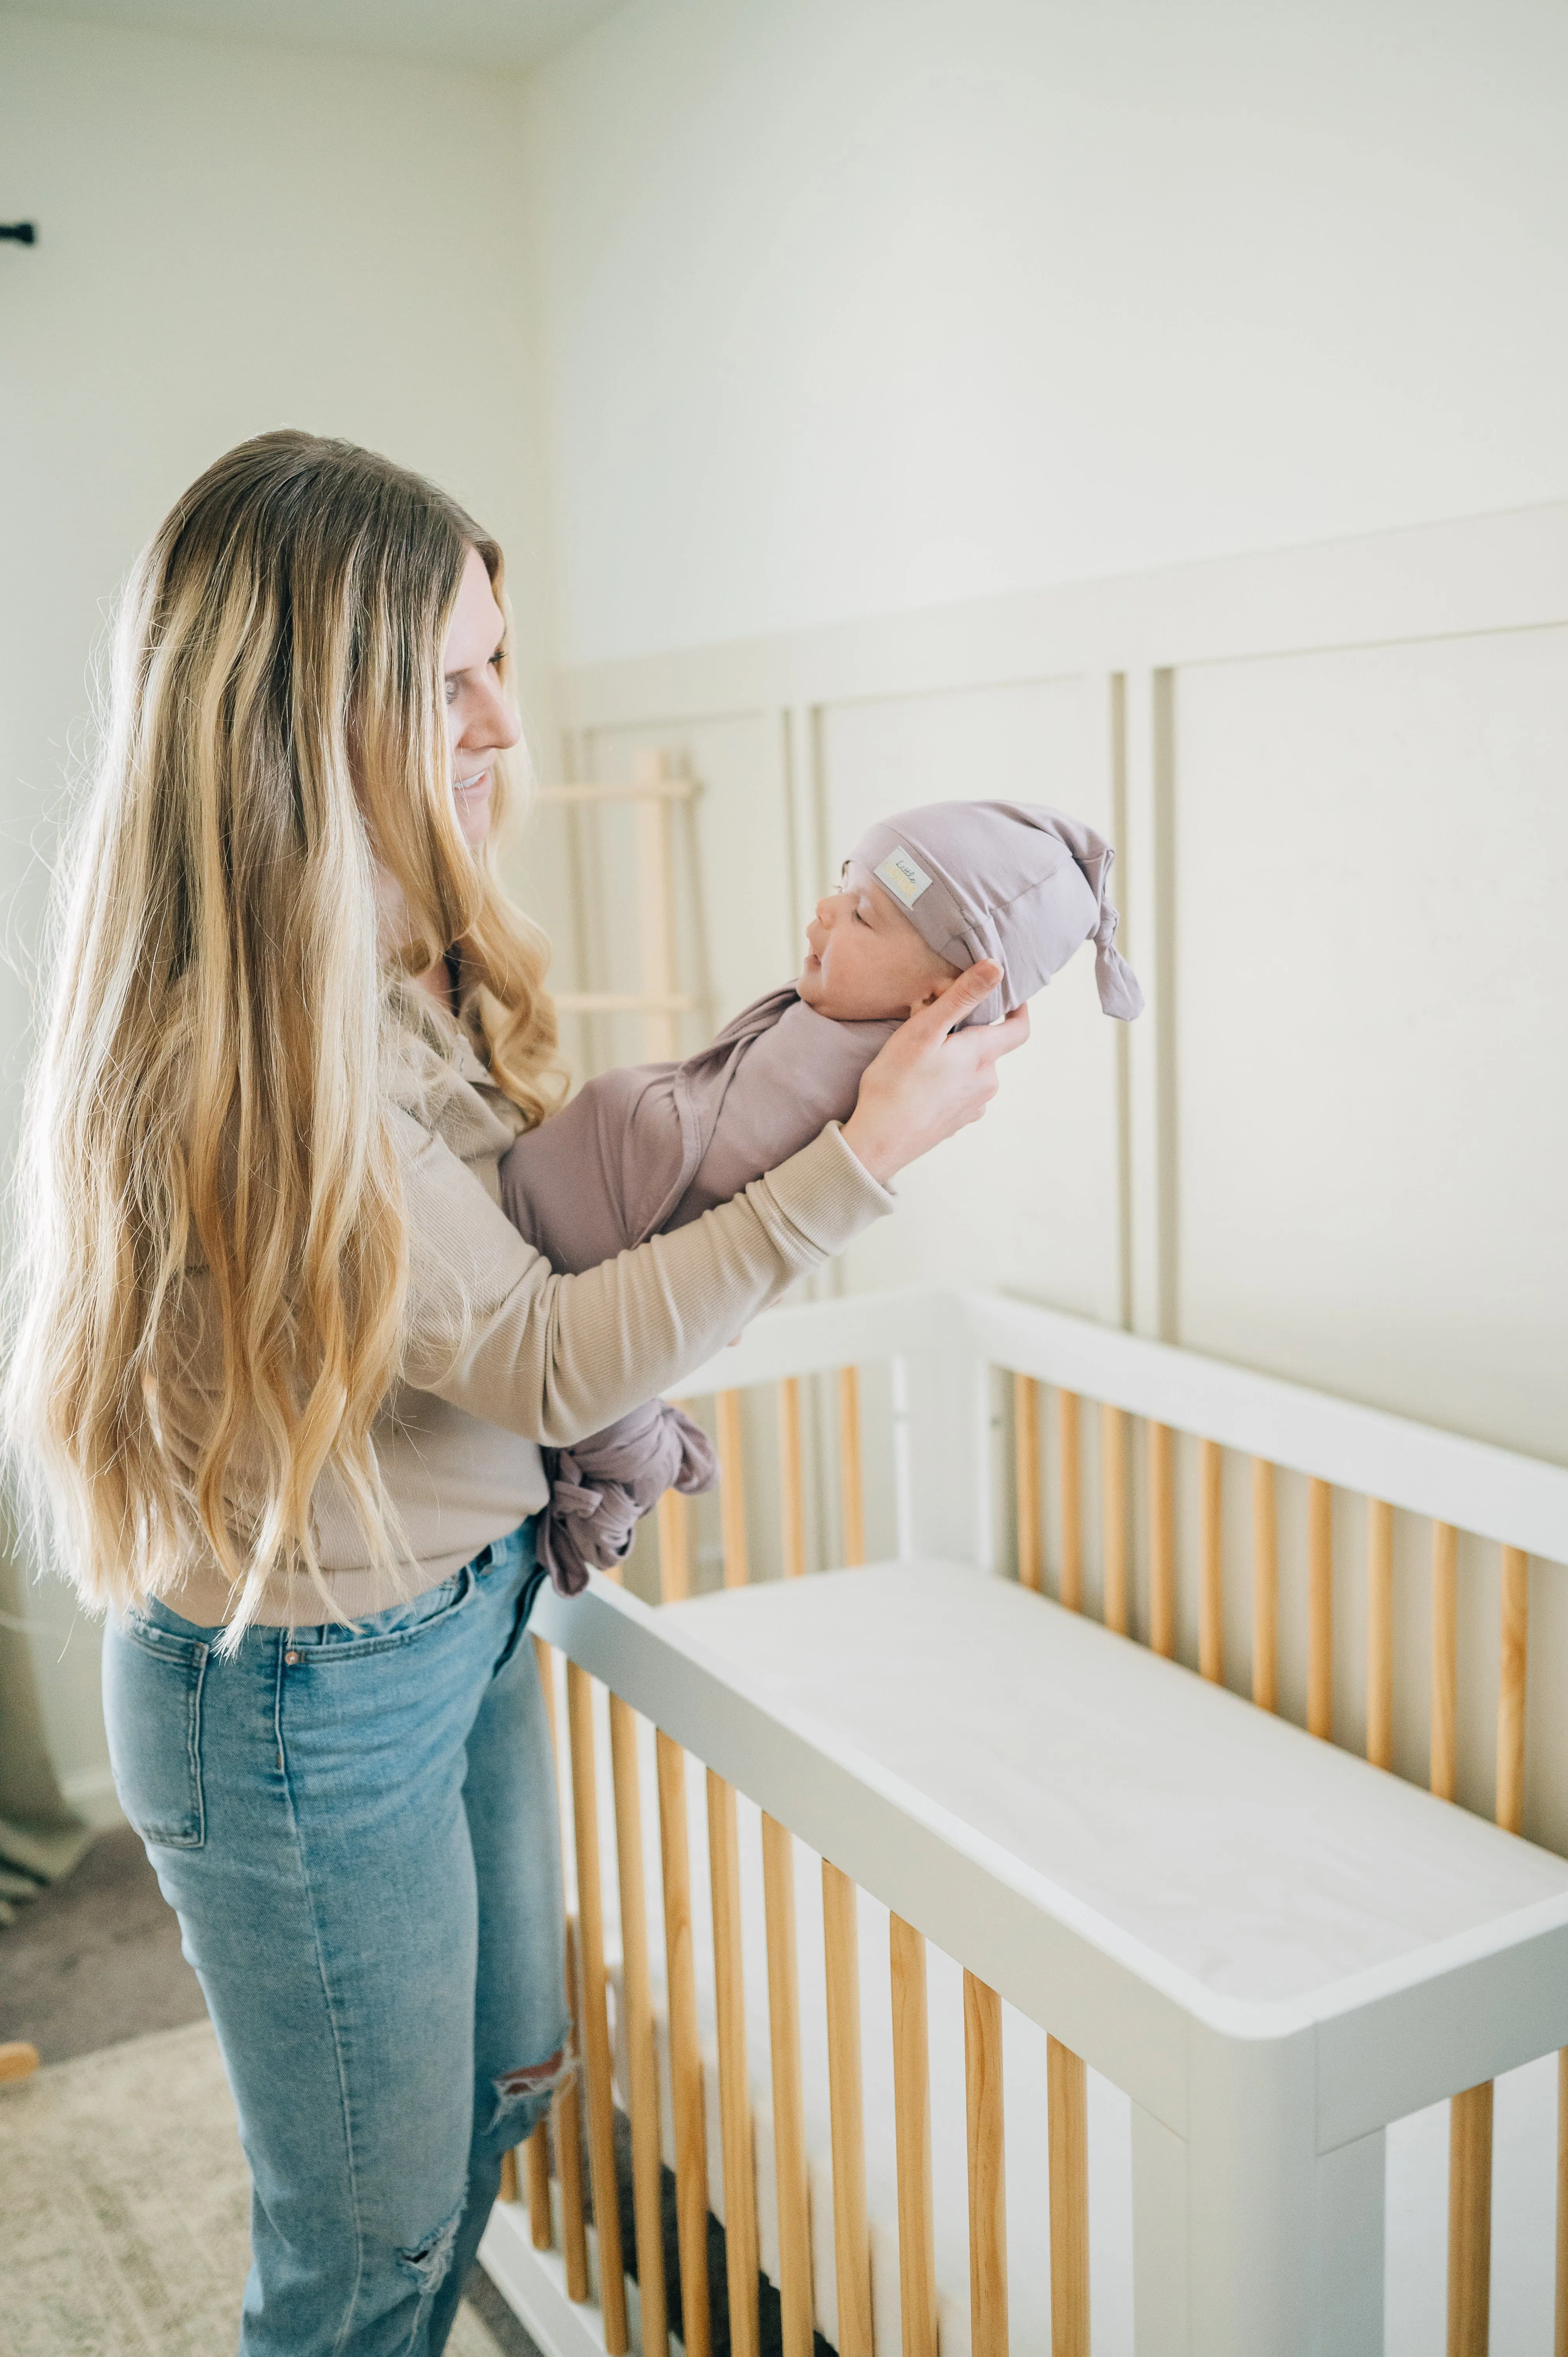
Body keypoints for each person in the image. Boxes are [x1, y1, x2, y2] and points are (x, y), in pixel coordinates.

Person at [1, 430, 1028, 2357]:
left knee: (501, 2103)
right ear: (316, 719)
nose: (501, 720)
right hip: (305, 1697)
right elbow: (549, 1354)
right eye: (451, 678)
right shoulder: (262, 1039)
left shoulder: (393, 953)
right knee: (366, 2255)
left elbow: (549, 1226)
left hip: (461, 1615)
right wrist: (857, 1160)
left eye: (500, 659)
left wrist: (788, 1082)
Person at [505, 798, 1142, 1590]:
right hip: (547, 1246)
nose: (826, 908)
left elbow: (679, 1201)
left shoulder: (837, 1087)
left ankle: (624, 1471)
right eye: (845, 883)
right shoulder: (851, 1038)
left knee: (615, 1399)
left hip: (563, 1261)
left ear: (937, 999)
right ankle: (628, 1453)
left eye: (863, 916)